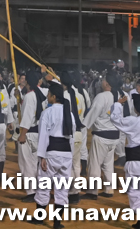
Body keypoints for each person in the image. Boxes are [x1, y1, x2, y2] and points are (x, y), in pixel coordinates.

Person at [30, 83, 75, 229]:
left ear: (54, 97)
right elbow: (72, 137)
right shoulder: (70, 113)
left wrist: (42, 156)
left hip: (51, 153)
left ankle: (39, 218)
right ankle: (57, 223)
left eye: (49, 94)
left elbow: (43, 136)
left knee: (43, 185)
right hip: (66, 153)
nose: (47, 96)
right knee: (62, 188)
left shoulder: (47, 112)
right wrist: (70, 157)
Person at [111, 93, 140, 229]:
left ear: (136, 108)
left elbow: (115, 119)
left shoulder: (133, 121)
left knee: (134, 192)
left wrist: (118, 104)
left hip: (135, 162)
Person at [83, 72, 127, 200]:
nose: (101, 82)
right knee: (108, 164)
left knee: (95, 164)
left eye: (103, 80)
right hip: (114, 135)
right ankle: (108, 189)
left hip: (101, 135)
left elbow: (93, 114)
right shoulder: (120, 95)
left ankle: (92, 191)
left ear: (107, 83)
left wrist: (83, 126)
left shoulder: (102, 96)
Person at [18, 70, 49, 202]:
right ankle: (40, 189)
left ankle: (31, 192)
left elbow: (28, 116)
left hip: (29, 132)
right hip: (40, 133)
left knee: (27, 164)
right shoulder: (43, 93)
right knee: (36, 163)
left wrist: (22, 135)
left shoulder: (30, 96)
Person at [60, 72, 86, 204]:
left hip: (68, 133)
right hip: (79, 132)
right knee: (76, 164)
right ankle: (76, 192)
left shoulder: (63, 96)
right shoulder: (80, 96)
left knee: (68, 165)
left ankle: (71, 192)